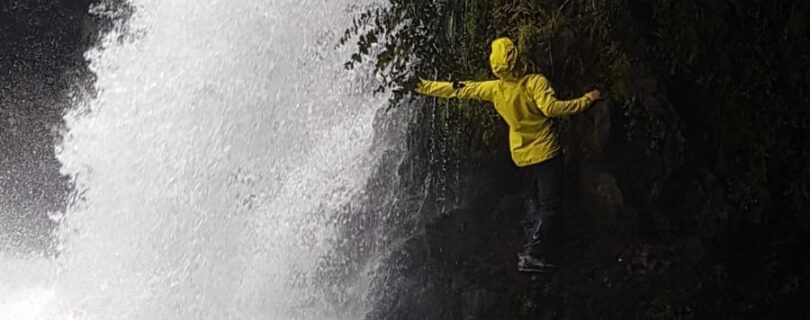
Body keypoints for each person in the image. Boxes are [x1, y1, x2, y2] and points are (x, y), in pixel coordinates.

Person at [414, 37, 603, 273]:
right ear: (517, 57)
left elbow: (458, 89)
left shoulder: (495, 89)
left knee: (532, 202)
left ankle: (529, 249)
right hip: (546, 153)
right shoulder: (535, 83)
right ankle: (534, 253)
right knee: (551, 205)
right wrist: (586, 100)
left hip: (521, 157)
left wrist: (421, 85)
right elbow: (551, 109)